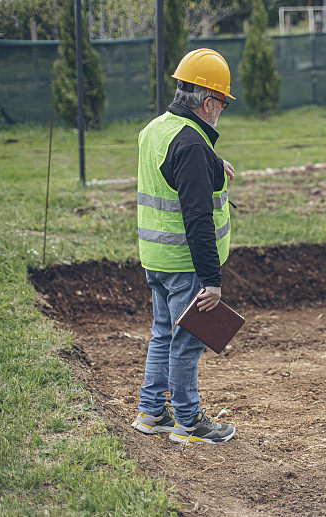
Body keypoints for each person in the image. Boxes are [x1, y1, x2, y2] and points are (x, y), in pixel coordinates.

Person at [130, 48, 237, 444]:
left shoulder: (157, 129)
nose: (221, 111)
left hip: (155, 257)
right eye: (222, 103)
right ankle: (189, 422)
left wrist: (212, 164)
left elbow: (171, 175)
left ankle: (150, 412)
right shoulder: (192, 145)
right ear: (209, 102)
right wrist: (211, 279)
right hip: (185, 263)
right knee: (187, 340)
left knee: (162, 333)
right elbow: (197, 217)